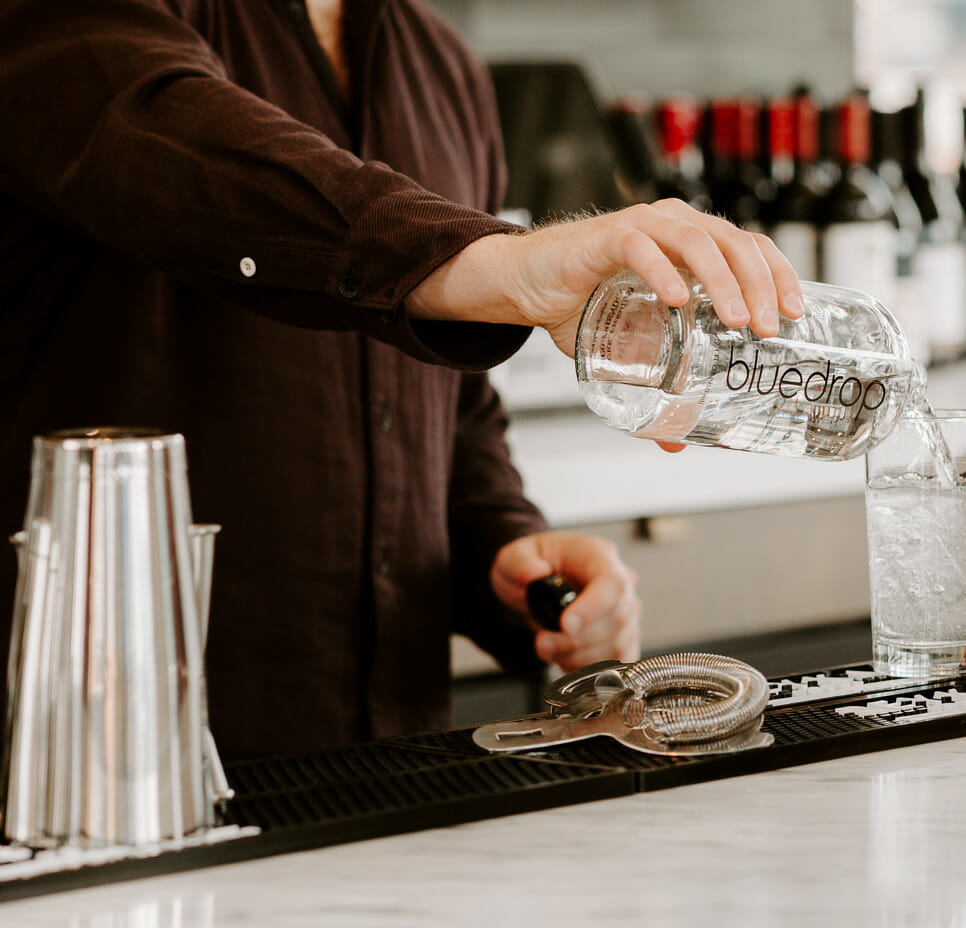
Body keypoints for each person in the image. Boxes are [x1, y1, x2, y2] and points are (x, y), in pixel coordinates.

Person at [0, 0, 803, 761]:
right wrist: (502, 260)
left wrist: (508, 549)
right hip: (114, 772)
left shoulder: (441, 65)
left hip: (392, 769)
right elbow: (182, 152)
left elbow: (446, 413)